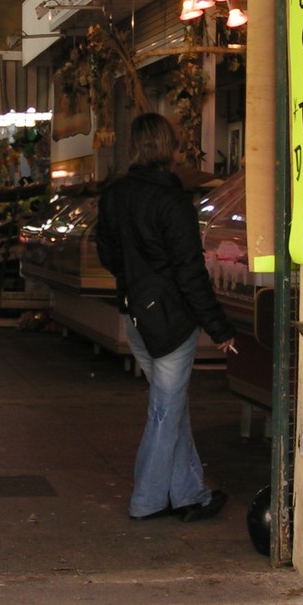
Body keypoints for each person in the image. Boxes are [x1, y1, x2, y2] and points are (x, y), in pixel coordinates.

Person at [95, 112, 236, 522]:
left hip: (135, 314)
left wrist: (134, 279)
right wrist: (219, 327)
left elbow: (107, 252)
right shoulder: (172, 201)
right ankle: (148, 500)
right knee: (165, 410)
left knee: (170, 406)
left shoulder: (115, 195)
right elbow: (190, 273)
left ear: (135, 147)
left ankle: (190, 493)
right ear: (169, 148)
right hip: (172, 321)